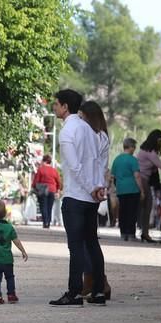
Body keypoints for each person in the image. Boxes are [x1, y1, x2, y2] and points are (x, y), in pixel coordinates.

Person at [49, 89, 106, 307]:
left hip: (76, 195)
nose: (55, 107)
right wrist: (98, 186)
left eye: (57, 104)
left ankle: (74, 292)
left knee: (75, 246)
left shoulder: (67, 131)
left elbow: (74, 166)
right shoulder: (89, 130)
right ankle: (98, 291)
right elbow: (97, 161)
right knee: (92, 243)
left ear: (65, 107)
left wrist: (92, 187)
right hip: (91, 197)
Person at [78, 100, 112, 300]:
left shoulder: (95, 137)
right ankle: (96, 279)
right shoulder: (102, 137)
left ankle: (94, 279)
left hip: (91, 189)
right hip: (96, 188)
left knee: (85, 239)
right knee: (88, 239)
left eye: (82, 117)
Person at [111, 138, 145, 241]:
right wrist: (142, 190)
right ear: (130, 147)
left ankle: (123, 233)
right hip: (132, 189)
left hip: (121, 189)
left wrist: (114, 188)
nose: (134, 149)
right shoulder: (133, 160)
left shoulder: (117, 159)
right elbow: (137, 176)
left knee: (123, 211)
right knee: (132, 212)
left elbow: (112, 176)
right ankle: (131, 234)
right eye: (134, 147)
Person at [32, 154, 62, 228]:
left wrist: (34, 188)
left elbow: (36, 181)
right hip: (52, 190)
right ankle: (48, 221)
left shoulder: (40, 169)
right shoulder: (54, 170)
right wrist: (58, 190)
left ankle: (45, 222)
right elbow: (59, 182)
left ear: (43, 161)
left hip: (43, 190)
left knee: (43, 206)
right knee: (49, 206)